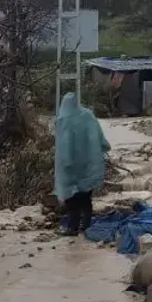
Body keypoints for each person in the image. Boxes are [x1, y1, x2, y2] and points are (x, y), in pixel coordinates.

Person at [54, 92, 111, 236]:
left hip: (71, 169)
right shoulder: (88, 116)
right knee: (86, 199)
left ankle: (72, 228)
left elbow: (65, 146)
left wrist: (66, 164)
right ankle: (86, 226)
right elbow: (100, 137)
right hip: (88, 167)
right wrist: (103, 147)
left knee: (71, 202)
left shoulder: (64, 120)